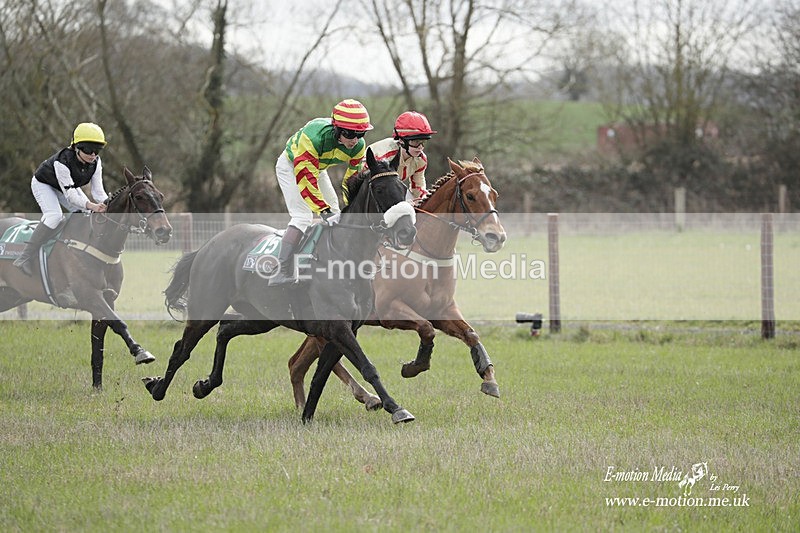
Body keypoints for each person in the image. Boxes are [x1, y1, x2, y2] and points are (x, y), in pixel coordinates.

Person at [271, 99, 373, 285]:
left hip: (317, 168)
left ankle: (329, 260)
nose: (355, 139)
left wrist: (351, 208)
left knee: (335, 210)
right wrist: (322, 210)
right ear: (336, 129)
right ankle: (280, 268)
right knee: (302, 216)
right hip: (292, 166)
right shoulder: (314, 137)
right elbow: (305, 178)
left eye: (361, 133)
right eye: (350, 133)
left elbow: (351, 181)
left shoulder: (358, 146)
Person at [14, 122, 109, 276]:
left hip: (65, 186)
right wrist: (92, 206)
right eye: (88, 149)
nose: (93, 155)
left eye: (97, 150)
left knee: (85, 212)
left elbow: (98, 192)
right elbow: (71, 196)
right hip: (44, 184)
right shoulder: (62, 161)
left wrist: (108, 205)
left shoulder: (96, 162)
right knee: (54, 216)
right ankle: (24, 257)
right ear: (76, 147)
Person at [367, 111, 436, 200]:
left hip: (390, 186)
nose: (420, 147)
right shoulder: (385, 156)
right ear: (401, 141)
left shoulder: (421, 160)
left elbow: (418, 189)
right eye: (415, 142)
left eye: (423, 142)